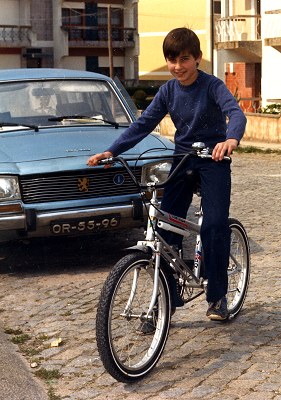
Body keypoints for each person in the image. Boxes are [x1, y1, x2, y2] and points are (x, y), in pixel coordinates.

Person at [87, 27, 247, 321]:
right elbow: (142, 125)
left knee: (214, 225)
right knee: (165, 229)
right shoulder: (168, 91)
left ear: (198, 58)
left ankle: (218, 297)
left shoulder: (212, 86)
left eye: (184, 59)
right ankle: (166, 300)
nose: (177, 67)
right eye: (171, 60)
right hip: (182, 160)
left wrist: (230, 140)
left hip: (213, 159)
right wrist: (113, 151)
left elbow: (235, 113)